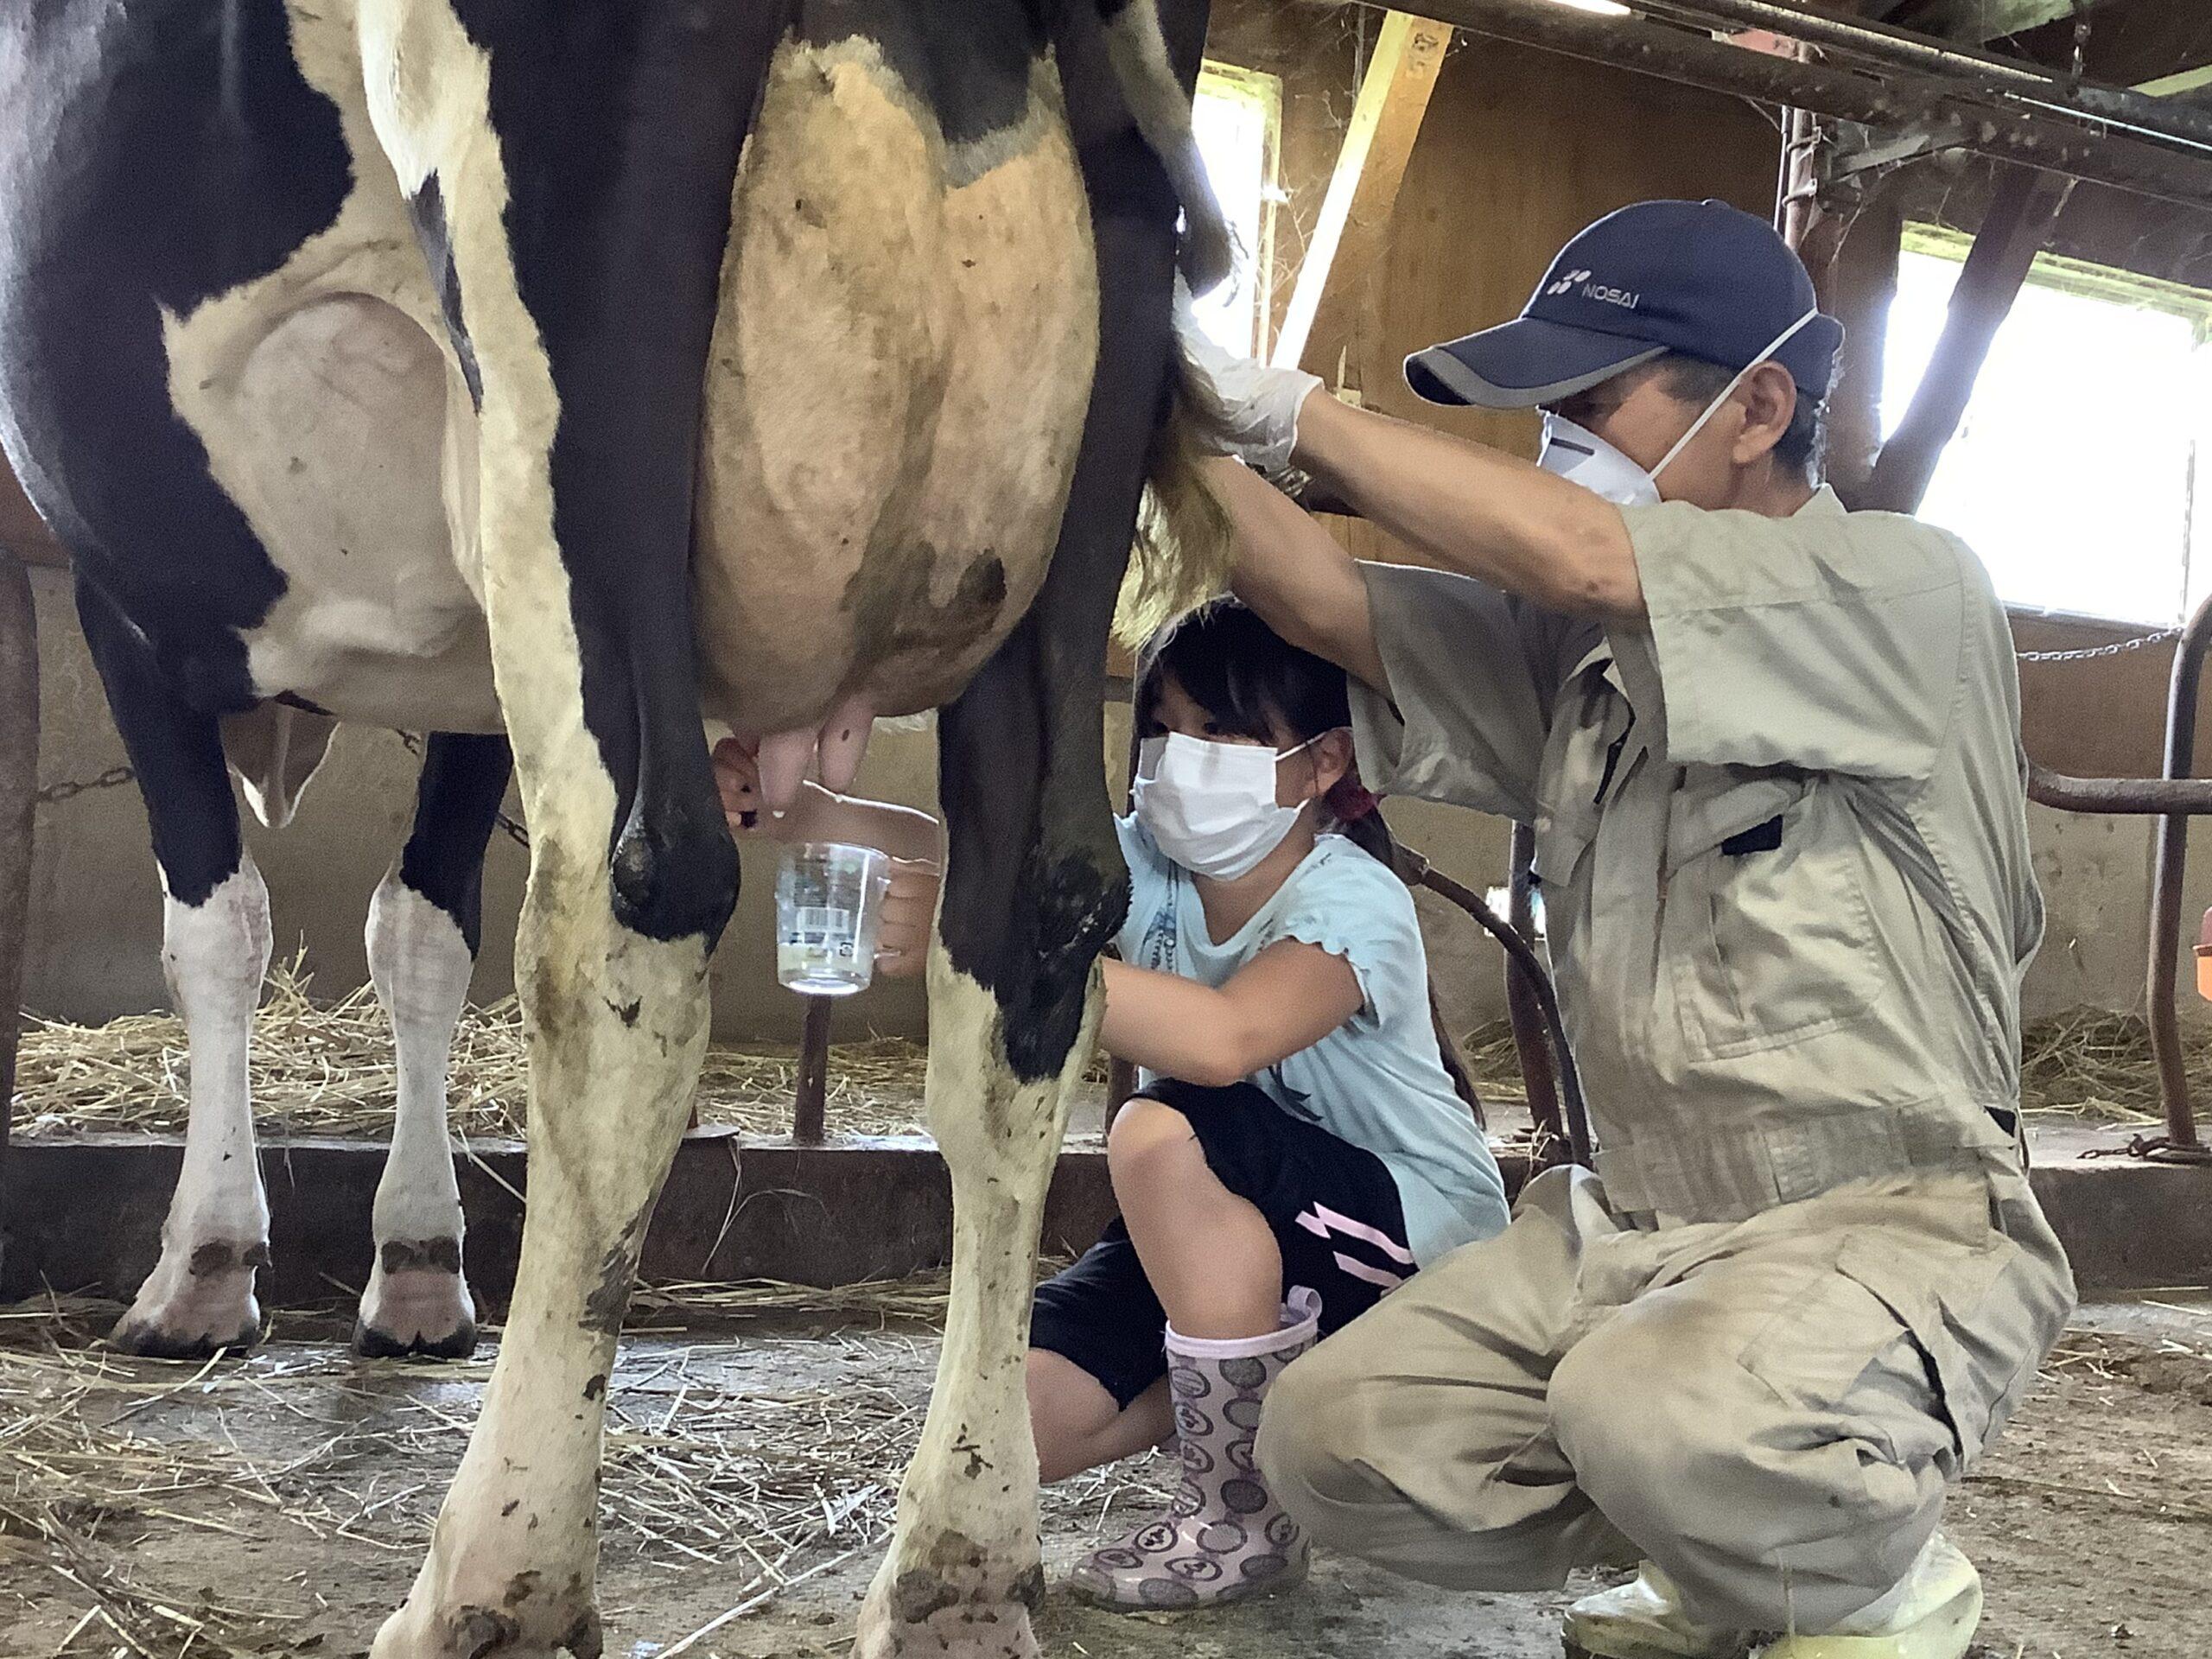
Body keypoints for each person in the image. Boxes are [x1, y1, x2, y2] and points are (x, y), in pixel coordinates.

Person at [1170, 198, 2075, 1659]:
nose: (1555, 451)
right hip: (1640, 1217)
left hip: (1889, 1211)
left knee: (1651, 1411)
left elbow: (1587, 554)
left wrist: (1293, 409)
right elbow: (1323, 597)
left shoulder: (1909, 590)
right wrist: (1164, 413)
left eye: (1587, 406)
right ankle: (1724, 1550)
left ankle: (1877, 1576)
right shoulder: (1592, 668)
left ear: (1757, 405)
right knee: (1339, 1435)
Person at [711, 599, 1510, 1612]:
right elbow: (961, 853)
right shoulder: (1146, 864)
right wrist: (788, 810)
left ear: (1322, 765)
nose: (1184, 759)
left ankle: (1240, 1514)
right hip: (1233, 1223)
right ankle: (1247, 1374)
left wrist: (993, 953)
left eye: (1224, 734)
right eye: (1166, 729)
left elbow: (1226, 1043)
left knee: (1157, 1124)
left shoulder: (1350, 898)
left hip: (1407, 1236)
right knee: (1011, 1425)